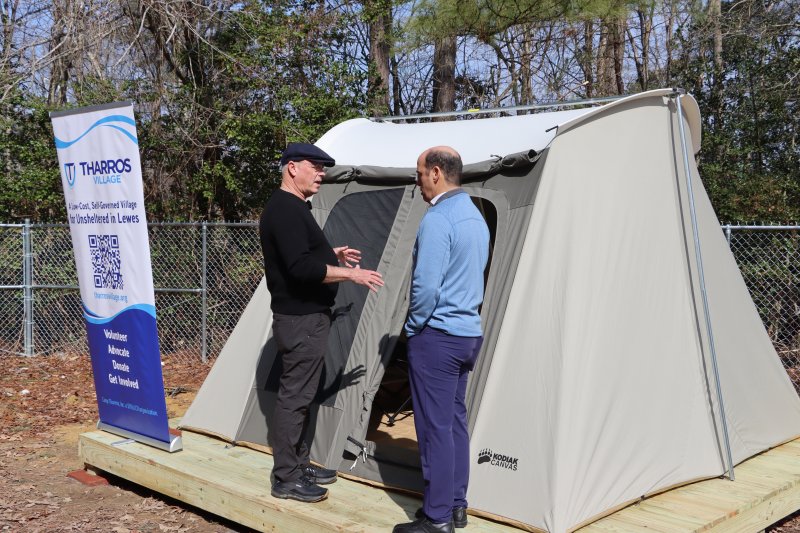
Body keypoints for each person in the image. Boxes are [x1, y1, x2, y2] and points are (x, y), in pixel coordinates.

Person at [260, 142, 384, 503]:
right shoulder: (284, 209)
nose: (321, 173)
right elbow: (300, 269)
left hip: (307, 319)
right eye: (315, 166)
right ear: (291, 168)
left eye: (323, 167)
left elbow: (300, 255)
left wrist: (333, 254)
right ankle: (285, 477)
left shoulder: (294, 208)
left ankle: (299, 465)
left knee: (303, 396)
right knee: (294, 399)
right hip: (301, 320)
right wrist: (350, 273)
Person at [393, 146, 490, 533]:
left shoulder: (438, 219)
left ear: (436, 173)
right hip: (468, 335)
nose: (417, 183)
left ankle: (436, 520)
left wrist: (413, 327)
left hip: (438, 337)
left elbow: (427, 287)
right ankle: (455, 506)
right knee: (453, 423)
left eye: (418, 175)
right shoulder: (475, 216)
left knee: (434, 429)